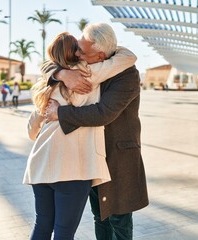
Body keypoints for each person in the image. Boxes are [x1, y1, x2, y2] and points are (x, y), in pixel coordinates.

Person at [23, 31, 137, 240]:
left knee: (41, 227)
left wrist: (58, 74)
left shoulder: (44, 87)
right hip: (72, 169)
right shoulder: (88, 73)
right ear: (74, 54)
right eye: (78, 49)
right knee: (64, 232)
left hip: (39, 167)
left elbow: (32, 132)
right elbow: (128, 58)